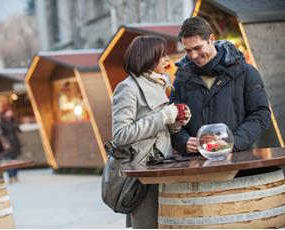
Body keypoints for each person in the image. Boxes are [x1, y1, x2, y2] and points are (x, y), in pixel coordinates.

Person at [112, 35, 191, 228]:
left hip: (163, 166)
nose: (167, 60)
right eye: (162, 56)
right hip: (143, 172)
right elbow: (120, 135)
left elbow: (160, 130)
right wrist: (164, 116)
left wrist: (176, 122)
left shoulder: (160, 83)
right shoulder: (128, 88)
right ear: (148, 57)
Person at [170, 16, 271, 155]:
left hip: (237, 161)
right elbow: (172, 120)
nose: (193, 56)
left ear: (211, 39)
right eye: (188, 50)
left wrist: (233, 142)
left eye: (197, 48)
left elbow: (260, 115)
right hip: (196, 166)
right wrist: (183, 141)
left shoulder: (246, 73)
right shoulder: (181, 79)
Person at [0, 108, 22, 183]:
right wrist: (4, 143)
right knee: (9, 161)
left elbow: (19, 130)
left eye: (10, 113)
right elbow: (1, 134)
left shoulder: (13, 121)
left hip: (15, 142)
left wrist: (14, 121)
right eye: (7, 113)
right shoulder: (1, 123)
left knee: (15, 160)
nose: (9, 114)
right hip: (7, 143)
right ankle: (11, 176)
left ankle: (15, 175)